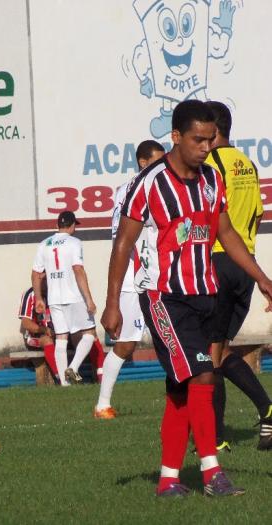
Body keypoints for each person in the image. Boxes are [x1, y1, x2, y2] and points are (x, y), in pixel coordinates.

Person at [101, 100, 272, 497]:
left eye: (211, 139)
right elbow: (123, 243)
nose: (206, 147)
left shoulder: (212, 179)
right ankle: (212, 472)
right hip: (164, 297)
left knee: (180, 390)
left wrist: (262, 278)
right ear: (176, 137)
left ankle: (168, 480)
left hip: (204, 294)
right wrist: (112, 304)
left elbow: (226, 234)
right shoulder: (149, 183)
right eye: (198, 139)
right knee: (203, 373)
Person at [205, 101, 271, 451]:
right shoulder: (248, 164)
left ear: (212, 131)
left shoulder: (212, 164)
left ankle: (216, 438)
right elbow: (257, 215)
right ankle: (217, 434)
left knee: (208, 355)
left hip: (218, 260)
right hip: (246, 265)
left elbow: (212, 218)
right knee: (218, 350)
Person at [94, 140, 166, 419]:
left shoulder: (127, 189)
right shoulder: (141, 189)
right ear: (143, 162)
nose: (163, 166)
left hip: (147, 273)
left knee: (164, 337)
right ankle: (102, 404)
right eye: (158, 161)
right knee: (126, 343)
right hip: (135, 276)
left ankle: (179, 396)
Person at [31, 211, 99, 386]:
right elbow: (78, 270)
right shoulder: (74, 242)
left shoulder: (44, 244)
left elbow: (36, 273)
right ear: (72, 225)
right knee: (90, 334)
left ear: (57, 225)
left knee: (61, 337)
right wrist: (89, 299)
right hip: (74, 296)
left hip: (54, 298)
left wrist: (39, 298)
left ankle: (64, 383)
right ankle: (73, 368)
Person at [18, 285, 59, 382]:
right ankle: (61, 378)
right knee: (47, 340)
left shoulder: (59, 289)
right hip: (35, 337)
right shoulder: (30, 294)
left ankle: (98, 377)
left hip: (59, 334)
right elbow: (26, 323)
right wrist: (44, 330)